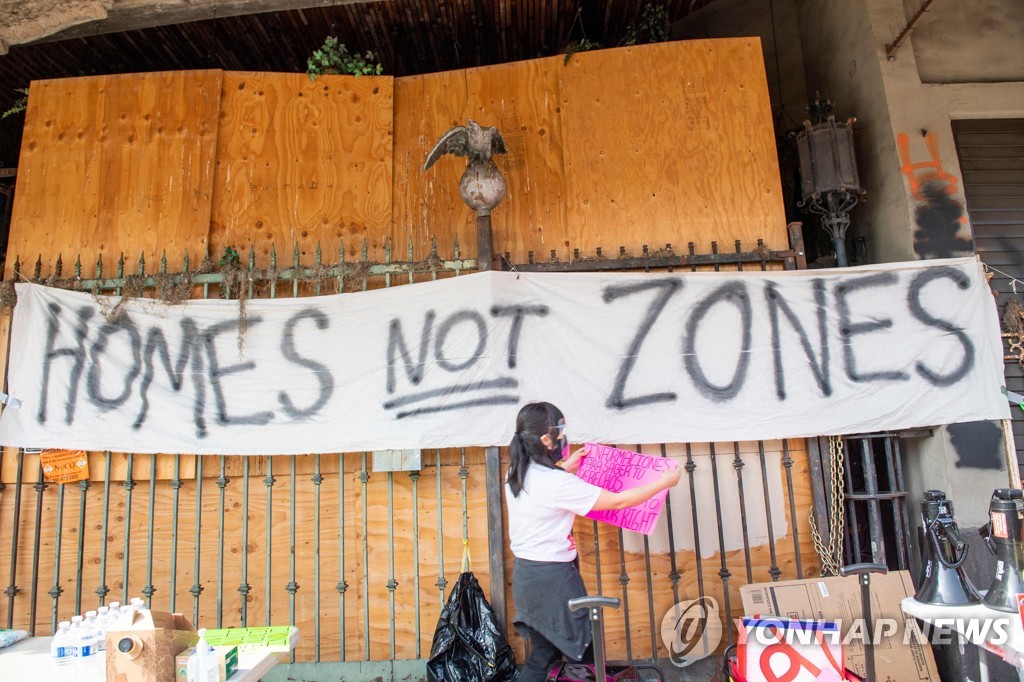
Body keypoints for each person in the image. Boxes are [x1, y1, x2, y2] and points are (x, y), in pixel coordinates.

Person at [505, 401, 681, 681]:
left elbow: (546, 490)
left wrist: (565, 468)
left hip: (528, 578)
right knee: (585, 658)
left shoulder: (515, 474)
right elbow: (619, 500)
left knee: (543, 657)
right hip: (555, 581)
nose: (565, 436)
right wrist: (664, 481)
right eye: (560, 430)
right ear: (546, 439)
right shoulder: (556, 483)